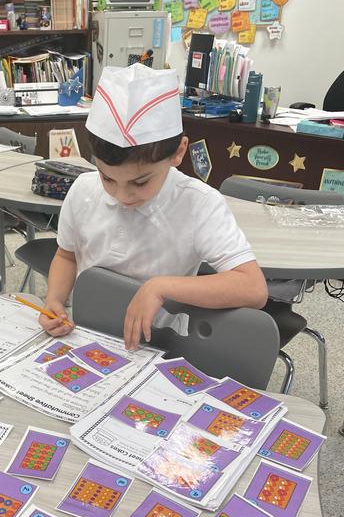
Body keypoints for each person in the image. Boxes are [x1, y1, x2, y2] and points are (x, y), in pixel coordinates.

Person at [40, 63, 268, 347]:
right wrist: (54, 300)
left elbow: (253, 287)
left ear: (178, 153)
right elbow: (67, 256)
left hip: (159, 344)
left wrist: (161, 287)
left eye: (140, 182)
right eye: (107, 178)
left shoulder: (198, 203)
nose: (123, 195)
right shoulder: (83, 190)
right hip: (87, 331)